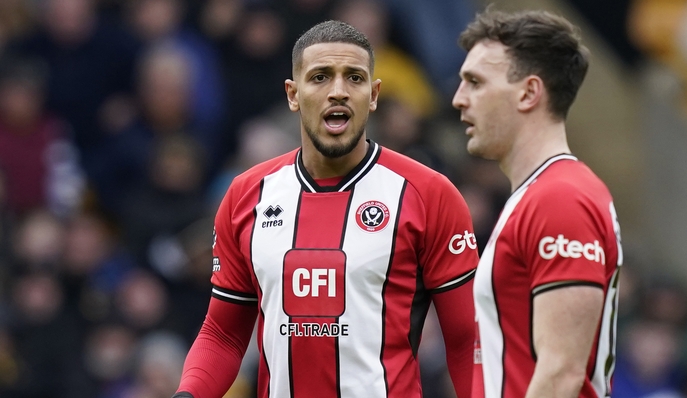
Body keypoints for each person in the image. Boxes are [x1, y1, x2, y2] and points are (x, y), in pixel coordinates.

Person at [173, 20, 478, 398]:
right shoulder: (246, 196)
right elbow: (223, 335)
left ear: (374, 94)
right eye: (320, 77)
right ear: (293, 94)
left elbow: (467, 342)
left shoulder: (429, 195)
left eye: (354, 78)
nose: (338, 92)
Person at [451, 9, 623, 398]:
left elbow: (561, 374)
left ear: (529, 93)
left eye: (474, 83)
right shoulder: (541, 194)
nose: (458, 99)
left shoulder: (559, 199)